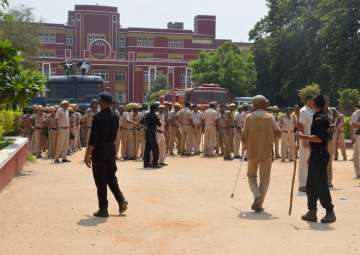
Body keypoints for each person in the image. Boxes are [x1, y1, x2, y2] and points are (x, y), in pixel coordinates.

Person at [84, 92, 128, 218]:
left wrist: (87, 154)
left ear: (103, 102)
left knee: (101, 180)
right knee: (111, 177)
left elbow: (93, 138)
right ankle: (121, 200)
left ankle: (103, 208)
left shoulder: (97, 117)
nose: (98, 102)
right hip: (110, 149)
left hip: (99, 150)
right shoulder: (115, 115)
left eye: (100, 100)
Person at [298, 95, 336, 224]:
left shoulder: (320, 119)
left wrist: (303, 136)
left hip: (319, 154)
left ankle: (330, 211)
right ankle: (312, 211)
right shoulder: (320, 116)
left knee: (320, 184)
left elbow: (319, 138)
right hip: (316, 154)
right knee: (311, 184)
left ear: (314, 103)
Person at [242, 95, 281, 212]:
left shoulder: (248, 117)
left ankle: (257, 195)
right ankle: (260, 202)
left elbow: (243, 135)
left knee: (251, 176)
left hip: (252, 151)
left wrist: (245, 146)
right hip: (266, 152)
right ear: (263, 104)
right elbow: (278, 132)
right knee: (265, 178)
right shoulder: (270, 117)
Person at [298, 96, 314, 192]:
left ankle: (309, 182)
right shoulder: (303, 111)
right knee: (304, 161)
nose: (313, 102)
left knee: (310, 161)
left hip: (312, 138)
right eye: (312, 100)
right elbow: (300, 125)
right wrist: (304, 139)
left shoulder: (312, 110)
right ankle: (302, 184)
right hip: (305, 138)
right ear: (308, 101)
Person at [143, 104, 161, 168]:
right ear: (155, 109)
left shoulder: (146, 115)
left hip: (147, 134)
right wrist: (158, 119)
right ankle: (155, 164)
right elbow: (159, 124)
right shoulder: (154, 116)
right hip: (152, 134)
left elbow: (141, 122)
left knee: (147, 149)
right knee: (155, 149)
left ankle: (146, 164)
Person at [351, 105, 360, 179]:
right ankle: (358, 173)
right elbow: (353, 125)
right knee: (356, 155)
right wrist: (352, 137)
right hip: (357, 136)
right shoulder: (356, 114)